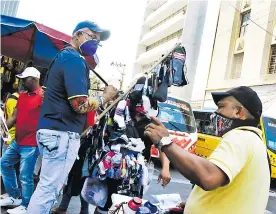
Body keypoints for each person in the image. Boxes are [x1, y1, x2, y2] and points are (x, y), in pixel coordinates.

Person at [27, 21, 118, 213]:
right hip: (61, 133)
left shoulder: (63, 58)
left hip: (52, 132)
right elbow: (79, 105)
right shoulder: (74, 60)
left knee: (46, 187)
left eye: (97, 41)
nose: (94, 43)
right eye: (92, 37)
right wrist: (104, 97)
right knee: (48, 190)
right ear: (77, 35)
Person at [144, 86, 270, 214]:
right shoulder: (254, 142)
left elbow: (209, 177)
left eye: (221, 107)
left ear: (238, 112)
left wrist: (166, 142)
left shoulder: (241, 137)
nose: (215, 113)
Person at [0, 67, 42, 214]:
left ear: (35, 79)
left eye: (25, 79)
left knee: (25, 176)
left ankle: (26, 204)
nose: (22, 81)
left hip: (31, 143)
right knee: (4, 163)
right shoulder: (22, 96)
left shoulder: (44, 96)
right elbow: (14, 117)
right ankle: (14, 196)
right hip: (17, 141)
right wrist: (3, 127)